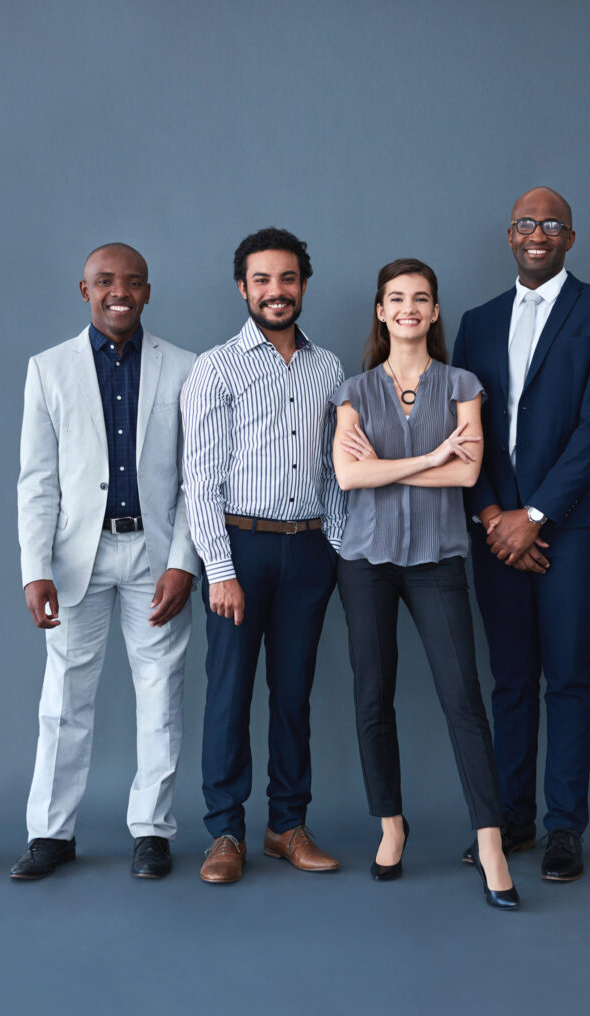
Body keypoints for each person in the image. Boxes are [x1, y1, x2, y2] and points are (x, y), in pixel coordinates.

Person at [452, 187, 590, 881]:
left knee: (568, 676)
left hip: (572, 528)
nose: (538, 234)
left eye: (551, 225)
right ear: (508, 235)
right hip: (494, 528)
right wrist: (496, 514)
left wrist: (536, 515)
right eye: (526, 224)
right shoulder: (476, 321)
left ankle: (563, 829)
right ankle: (512, 822)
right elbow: (466, 427)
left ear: (570, 238)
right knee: (509, 680)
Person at [332, 258, 518, 910]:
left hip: (439, 560)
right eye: (395, 298)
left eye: (420, 298)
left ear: (434, 311)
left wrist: (392, 466)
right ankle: (390, 825)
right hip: (365, 561)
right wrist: (431, 456)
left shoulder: (462, 384)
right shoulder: (352, 391)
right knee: (370, 697)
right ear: (380, 312)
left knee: (463, 698)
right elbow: (348, 480)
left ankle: (489, 841)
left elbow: (466, 479)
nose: (408, 307)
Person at [12, 243, 199, 881]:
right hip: (75, 562)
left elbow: (195, 480)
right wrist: (35, 569)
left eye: (133, 282)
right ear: (84, 289)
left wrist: (184, 563)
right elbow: (37, 481)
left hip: (157, 556)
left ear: (148, 291)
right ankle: (51, 834)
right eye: (105, 282)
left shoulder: (184, 368)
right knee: (63, 700)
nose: (119, 291)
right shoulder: (48, 369)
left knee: (160, 697)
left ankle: (152, 831)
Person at [181, 228, 346, 884]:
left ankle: (286, 826)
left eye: (286, 279)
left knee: (293, 694)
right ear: (242, 288)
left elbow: (334, 472)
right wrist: (218, 568)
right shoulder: (215, 367)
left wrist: (333, 549)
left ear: (303, 284)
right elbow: (201, 477)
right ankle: (224, 832)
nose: (275, 291)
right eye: (261, 280)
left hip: (307, 550)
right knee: (228, 692)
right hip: (238, 549)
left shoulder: (328, 368)